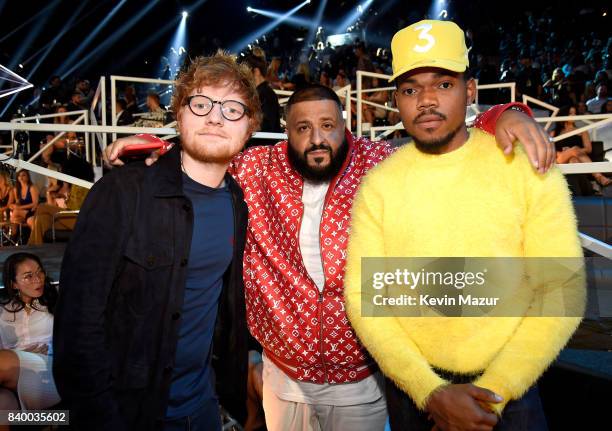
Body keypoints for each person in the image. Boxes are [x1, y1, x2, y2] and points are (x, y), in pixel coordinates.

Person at [106, 81, 554, 430]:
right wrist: (150, 146)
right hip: (283, 376)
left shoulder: (381, 163)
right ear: (287, 133)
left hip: (362, 377)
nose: (316, 139)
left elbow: (448, 143)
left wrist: (507, 114)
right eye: (303, 129)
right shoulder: (257, 167)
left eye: (327, 126)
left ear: (346, 125)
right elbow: (203, 150)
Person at [344, 20, 584, 431]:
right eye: (410, 89)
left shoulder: (525, 166)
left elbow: (562, 287)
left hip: (512, 393)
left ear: (469, 90)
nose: (425, 101)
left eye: (443, 84)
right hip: (415, 394)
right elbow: (365, 297)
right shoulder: (379, 184)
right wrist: (428, 391)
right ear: (395, 99)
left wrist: (496, 391)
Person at [52, 52, 256, 430]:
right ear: (178, 115)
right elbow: (77, 327)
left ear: (249, 127)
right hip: (130, 414)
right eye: (200, 104)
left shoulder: (238, 202)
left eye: (231, 108)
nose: (215, 117)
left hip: (205, 408)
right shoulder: (122, 192)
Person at [0, 252, 61, 422]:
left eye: (40, 272)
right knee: (2, 403)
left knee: (2, 360)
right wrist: (20, 354)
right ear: (14, 284)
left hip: (47, 371)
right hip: (11, 377)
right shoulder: (3, 312)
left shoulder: (55, 303)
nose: (38, 279)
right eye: (28, 276)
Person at [553, 105, 611, 187]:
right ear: (564, 115)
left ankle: (581, 189)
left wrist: (572, 152)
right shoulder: (554, 133)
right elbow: (551, 151)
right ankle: (599, 177)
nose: (574, 115)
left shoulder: (582, 131)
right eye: (570, 113)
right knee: (574, 150)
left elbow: (588, 149)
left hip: (578, 159)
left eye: (575, 113)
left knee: (573, 160)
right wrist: (568, 152)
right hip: (559, 159)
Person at [242, 54, 282, 146]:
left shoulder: (266, 94)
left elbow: (267, 126)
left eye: (245, 72)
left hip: (262, 151)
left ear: (256, 71)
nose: (243, 76)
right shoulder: (261, 92)